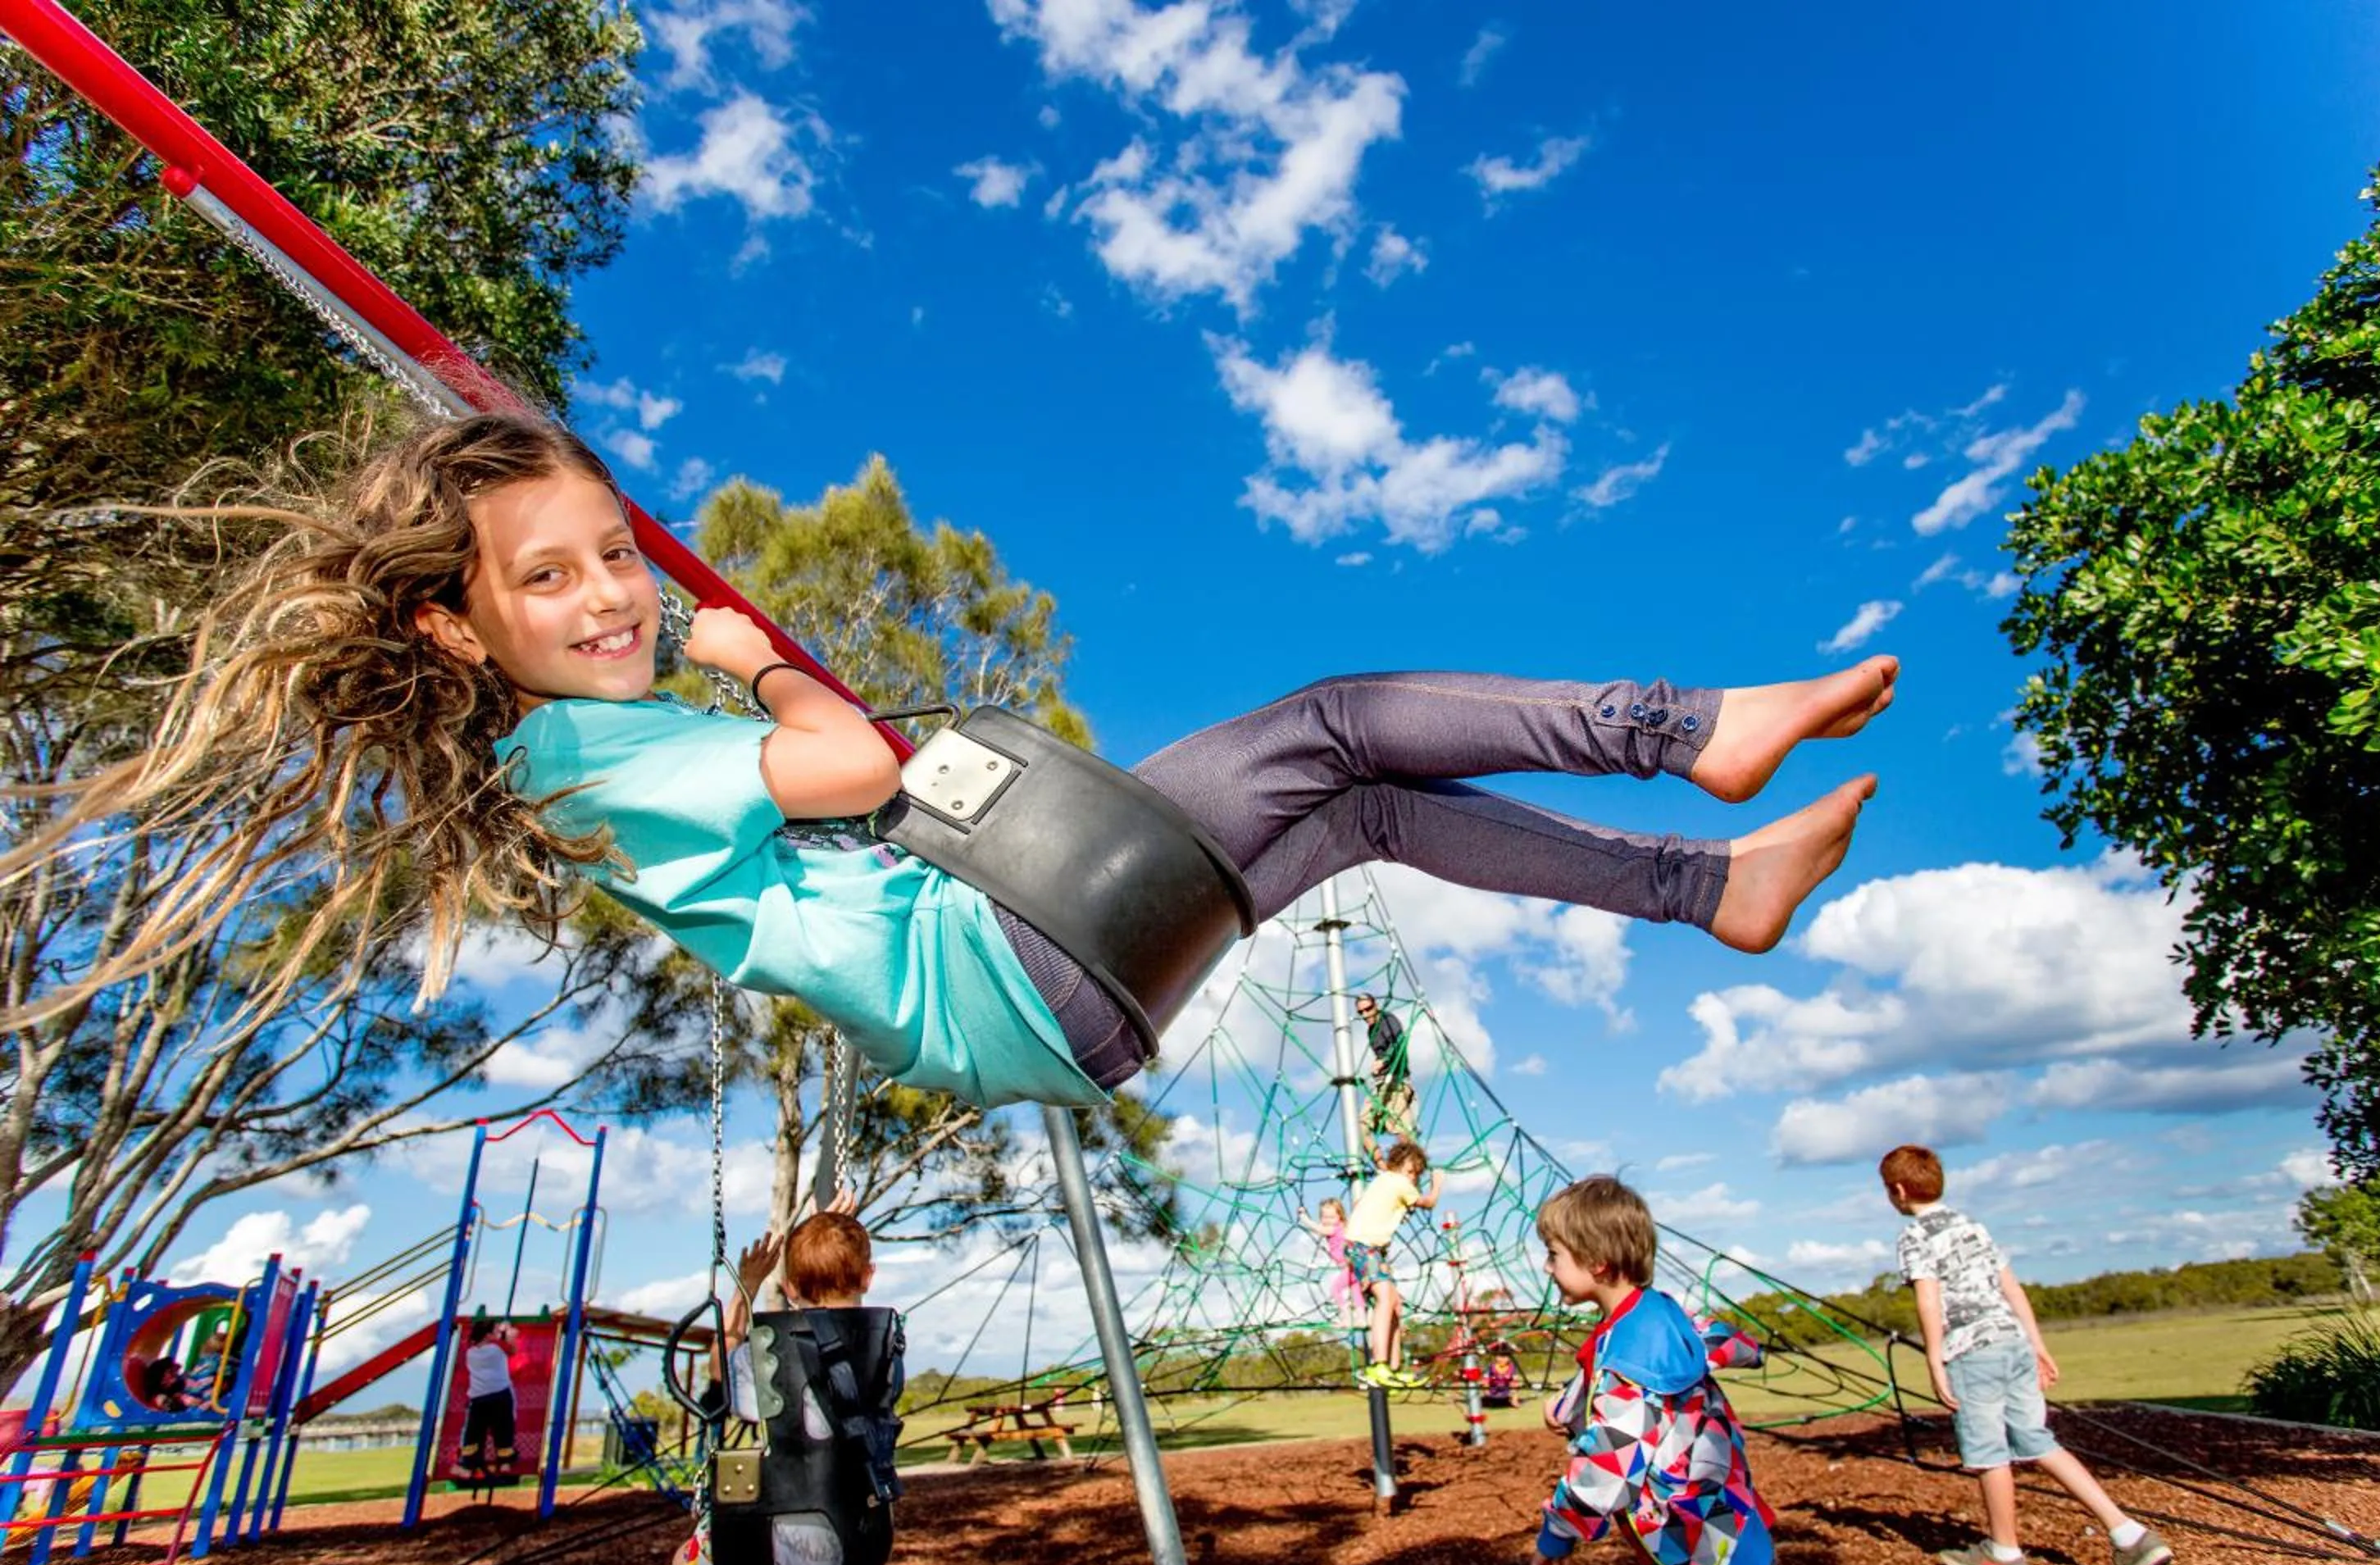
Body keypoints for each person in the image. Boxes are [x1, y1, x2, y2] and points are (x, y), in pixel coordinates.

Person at [5, 415, 1896, 1112]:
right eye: (546, 578)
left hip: (1050, 982)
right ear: (456, 628)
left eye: (610, 556)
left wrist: (747, 701)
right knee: (1333, 717)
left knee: (1369, 808)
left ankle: (1707, 888)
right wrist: (758, 677)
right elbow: (838, 771)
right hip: (1023, 951)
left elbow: (856, 786)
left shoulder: (611, 738)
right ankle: (1688, 736)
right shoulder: (584, 766)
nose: (604, 599)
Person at [1879, 1144, 2173, 1565]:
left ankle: (2003, 1550)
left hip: (1972, 1352)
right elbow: (2012, 1287)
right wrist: (2037, 1345)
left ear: (1899, 1191)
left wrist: (1936, 1360)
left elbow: (1928, 1297)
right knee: (2039, 1441)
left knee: (1988, 1453)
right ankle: (2128, 1533)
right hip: (2013, 1341)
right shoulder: (1972, 1226)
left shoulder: (1915, 1235)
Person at [633, 1186, 892, 1565]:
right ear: (869, 1277)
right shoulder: (883, 1343)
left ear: (789, 1287)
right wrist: (826, 1237)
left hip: (789, 1538)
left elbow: (719, 1373)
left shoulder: (780, 1354)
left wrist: (747, 1287)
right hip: (862, 1535)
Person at [1527, 1176, 1774, 1565]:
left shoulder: (1630, 1354)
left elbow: (1609, 1468)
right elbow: (1720, 1342)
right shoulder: (1658, 1314)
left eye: (1554, 1254)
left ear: (1597, 1263)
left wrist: (1555, 1538)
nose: (1547, 1267)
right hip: (1735, 1540)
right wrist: (1568, 1402)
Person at [1346, 1140, 1440, 1388]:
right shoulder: (1399, 1183)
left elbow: (1375, 1154)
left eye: (1416, 1174)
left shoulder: (1384, 1178)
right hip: (1364, 1247)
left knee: (1395, 1305)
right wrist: (1438, 1183)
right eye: (1411, 1172)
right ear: (1399, 1167)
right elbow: (1429, 1203)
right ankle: (1379, 1366)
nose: (1412, 1177)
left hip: (1366, 1248)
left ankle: (1395, 1368)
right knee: (1386, 1299)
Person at [456, 1316, 521, 1483]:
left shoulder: (471, 1352)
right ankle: (505, 1463)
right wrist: (506, 1333)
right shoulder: (496, 1349)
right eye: (493, 1331)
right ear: (487, 1335)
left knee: (475, 1432)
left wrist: (501, 1333)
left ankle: (469, 1464)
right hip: (500, 1394)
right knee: (503, 1429)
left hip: (478, 1398)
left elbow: (500, 1342)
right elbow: (512, 1349)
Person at [1354, 994, 1418, 1142]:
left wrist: (1384, 1061)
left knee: (1402, 1131)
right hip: (1381, 1084)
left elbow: (1399, 1042)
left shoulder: (1388, 1020)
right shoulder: (1371, 1031)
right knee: (1361, 1126)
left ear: (1376, 1006)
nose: (1365, 1014)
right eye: (1361, 1012)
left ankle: (1412, 1162)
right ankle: (1381, 1164)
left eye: (1368, 1009)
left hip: (1396, 1081)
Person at [1299, 1197, 1367, 1327]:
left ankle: (1346, 1319)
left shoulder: (1334, 1229)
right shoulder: (1344, 1227)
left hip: (1350, 1267)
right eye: (1324, 1217)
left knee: (1336, 1289)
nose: (1327, 1221)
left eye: (1331, 1217)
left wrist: (1304, 1217)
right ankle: (1361, 1320)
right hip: (1356, 1267)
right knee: (1356, 1292)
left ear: (1340, 1216)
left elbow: (1317, 1228)